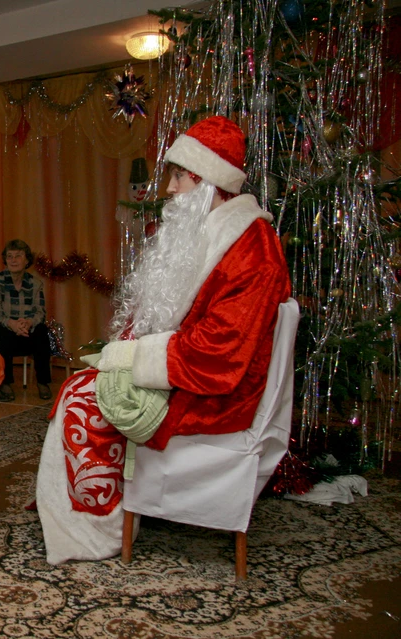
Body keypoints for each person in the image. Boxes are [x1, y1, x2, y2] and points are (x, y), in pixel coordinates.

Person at [35, 115, 291, 564]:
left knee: (82, 400)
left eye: (177, 176)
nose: (169, 189)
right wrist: (123, 351)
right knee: (84, 385)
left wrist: (131, 356)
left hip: (216, 394)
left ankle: (98, 530)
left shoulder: (253, 248)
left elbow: (221, 352)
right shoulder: (212, 233)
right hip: (188, 374)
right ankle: (98, 512)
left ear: (208, 181)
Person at [0, 239, 52, 401]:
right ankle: (5, 382)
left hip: (27, 331)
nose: (13, 260)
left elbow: (40, 312)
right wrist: (12, 323)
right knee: (1, 333)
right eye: (9, 256)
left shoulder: (35, 283)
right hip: (6, 330)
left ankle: (43, 382)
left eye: (18, 256)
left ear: (27, 260)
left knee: (42, 331)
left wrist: (28, 323)